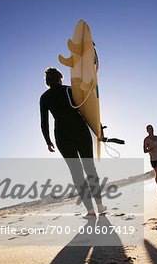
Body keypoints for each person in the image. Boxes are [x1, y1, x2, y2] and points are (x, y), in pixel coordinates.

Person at [40, 67, 107, 217]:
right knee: (90, 169)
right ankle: (100, 205)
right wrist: (99, 129)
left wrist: (48, 141)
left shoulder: (44, 97)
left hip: (62, 136)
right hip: (80, 130)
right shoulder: (70, 90)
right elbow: (90, 108)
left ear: (47, 82)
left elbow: (44, 122)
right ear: (60, 78)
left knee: (76, 173)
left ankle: (90, 211)